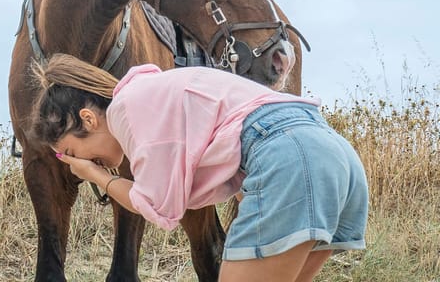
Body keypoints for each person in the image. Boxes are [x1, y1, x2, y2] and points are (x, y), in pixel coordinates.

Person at [30, 53, 368, 281]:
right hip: (333, 157)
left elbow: (158, 207)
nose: (82, 164)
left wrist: (98, 176)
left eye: (75, 152)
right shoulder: (155, 93)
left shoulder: (127, 110)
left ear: (88, 119)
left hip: (290, 157)